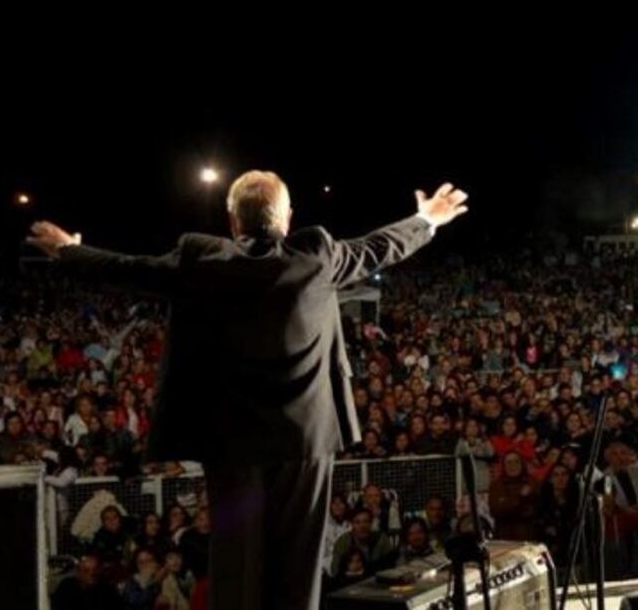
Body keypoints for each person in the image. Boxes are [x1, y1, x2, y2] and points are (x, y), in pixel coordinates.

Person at [27, 173, 468, 610]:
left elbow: (130, 270)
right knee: (298, 565)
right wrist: (426, 219)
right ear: (288, 218)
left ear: (232, 221)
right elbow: (379, 247)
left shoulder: (202, 261)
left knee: (237, 567)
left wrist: (70, 251)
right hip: (304, 440)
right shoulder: (315, 255)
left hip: (231, 443)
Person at [52, 553, 122, 610]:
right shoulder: (66, 586)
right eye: (86, 570)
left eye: (95, 569)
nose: (91, 573)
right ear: (78, 572)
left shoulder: (108, 591)